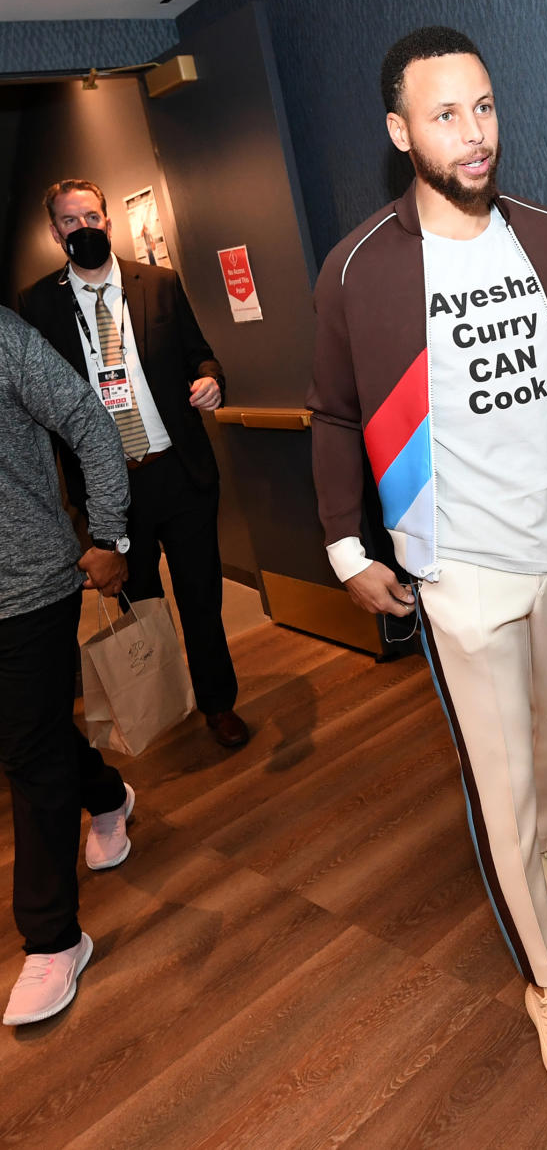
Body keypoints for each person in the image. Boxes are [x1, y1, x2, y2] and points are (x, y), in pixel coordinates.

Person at [308, 26, 547, 1100]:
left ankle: (532, 850)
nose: (474, 135)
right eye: (445, 115)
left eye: (484, 107)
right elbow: (332, 416)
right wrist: (343, 549)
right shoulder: (361, 269)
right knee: (499, 775)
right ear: (399, 132)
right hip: (456, 569)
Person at [19, 179, 249, 748]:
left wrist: (210, 379)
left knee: (201, 600)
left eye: (92, 216)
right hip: (109, 489)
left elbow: (201, 352)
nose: (84, 228)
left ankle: (219, 704)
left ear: (109, 221)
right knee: (142, 603)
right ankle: (165, 701)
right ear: (54, 232)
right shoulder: (37, 305)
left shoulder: (160, 284)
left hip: (180, 472)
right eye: (69, 222)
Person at [0, 306, 136, 1026]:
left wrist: (110, 532)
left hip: (27, 589)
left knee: (28, 751)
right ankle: (109, 793)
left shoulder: (5, 338)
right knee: (35, 737)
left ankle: (53, 938)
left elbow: (89, 421)